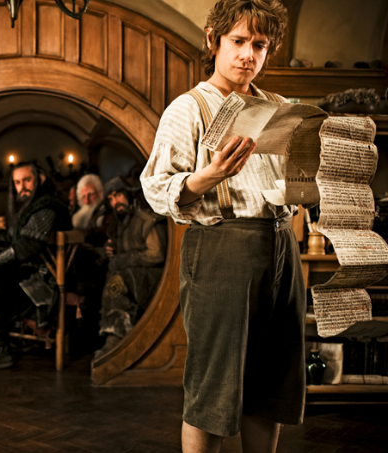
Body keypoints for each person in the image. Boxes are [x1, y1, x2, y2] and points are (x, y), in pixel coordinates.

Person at [139, 1, 306, 451]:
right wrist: (207, 177)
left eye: (260, 45)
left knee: (271, 383)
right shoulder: (188, 108)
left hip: (281, 245)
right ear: (213, 40)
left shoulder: (280, 108)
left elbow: (292, 182)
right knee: (213, 386)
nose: (248, 54)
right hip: (222, 246)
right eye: (238, 41)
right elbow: (156, 188)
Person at [0, 161, 71, 371]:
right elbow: (14, 237)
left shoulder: (47, 206)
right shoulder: (31, 207)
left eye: (27, 180)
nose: (22, 187)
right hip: (27, 273)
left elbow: (29, 245)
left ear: (40, 179)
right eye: (18, 182)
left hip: (42, 281)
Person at [94, 176, 167, 358]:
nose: (115, 202)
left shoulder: (146, 219)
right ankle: (115, 334)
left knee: (117, 282)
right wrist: (112, 251)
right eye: (111, 199)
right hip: (134, 273)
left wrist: (123, 259)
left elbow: (156, 254)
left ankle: (117, 337)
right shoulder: (122, 222)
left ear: (129, 194)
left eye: (118, 195)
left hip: (156, 277)